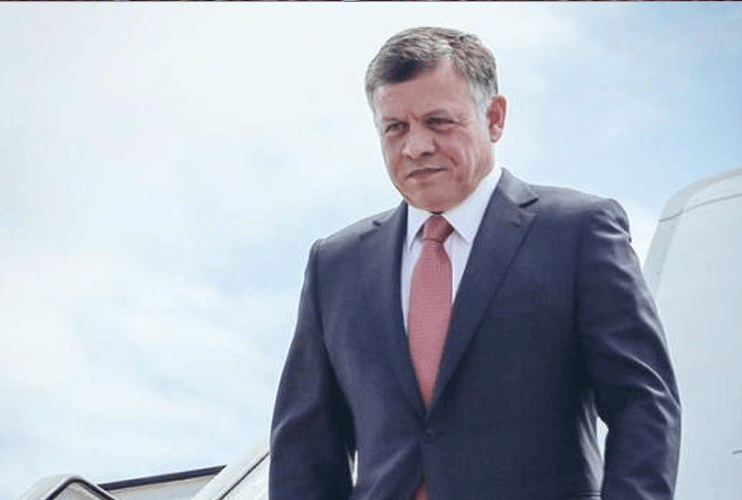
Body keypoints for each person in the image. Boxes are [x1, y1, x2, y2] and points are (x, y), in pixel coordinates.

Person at [269, 26, 680, 500]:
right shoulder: (335, 265)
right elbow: (304, 449)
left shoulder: (578, 233)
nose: (415, 146)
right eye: (395, 128)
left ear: (495, 117)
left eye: (438, 122)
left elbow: (643, 403)